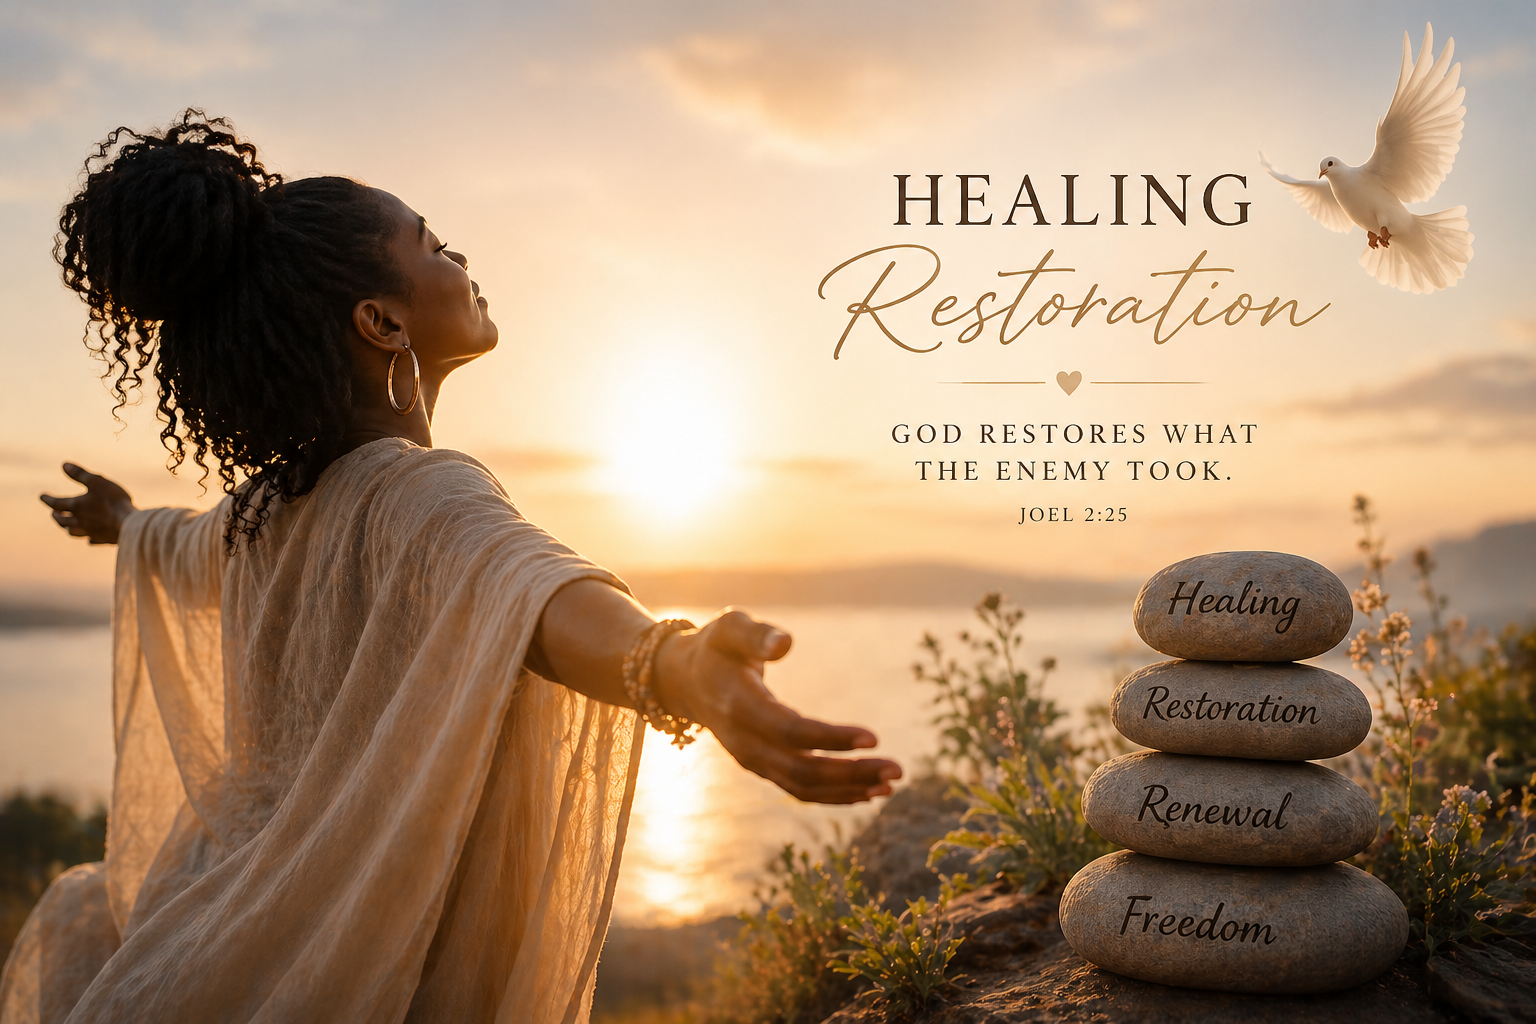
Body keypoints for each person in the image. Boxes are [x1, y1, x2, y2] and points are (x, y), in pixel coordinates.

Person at [0, 110, 900, 1024]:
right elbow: (529, 587)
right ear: (382, 321)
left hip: (210, 940)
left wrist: (124, 523)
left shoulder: (259, 514)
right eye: (434, 245)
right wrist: (676, 666)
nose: (463, 262)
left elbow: (179, 543)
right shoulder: (419, 492)